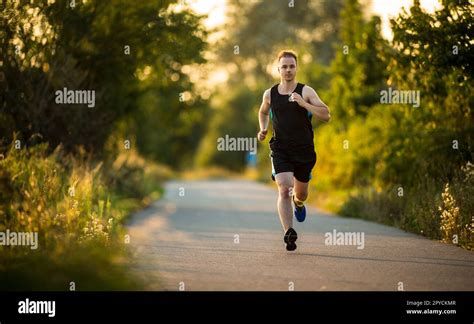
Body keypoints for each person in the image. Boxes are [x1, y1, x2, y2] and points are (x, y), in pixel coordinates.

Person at [257, 50, 331, 251]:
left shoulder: (306, 91)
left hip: (304, 151)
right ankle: (289, 232)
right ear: (278, 69)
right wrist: (263, 129)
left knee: (301, 194)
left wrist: (303, 103)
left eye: (291, 66)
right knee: (284, 188)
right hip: (280, 148)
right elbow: (263, 112)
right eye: (284, 66)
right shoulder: (270, 94)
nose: (288, 70)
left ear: (296, 68)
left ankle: (298, 204)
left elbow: (326, 115)